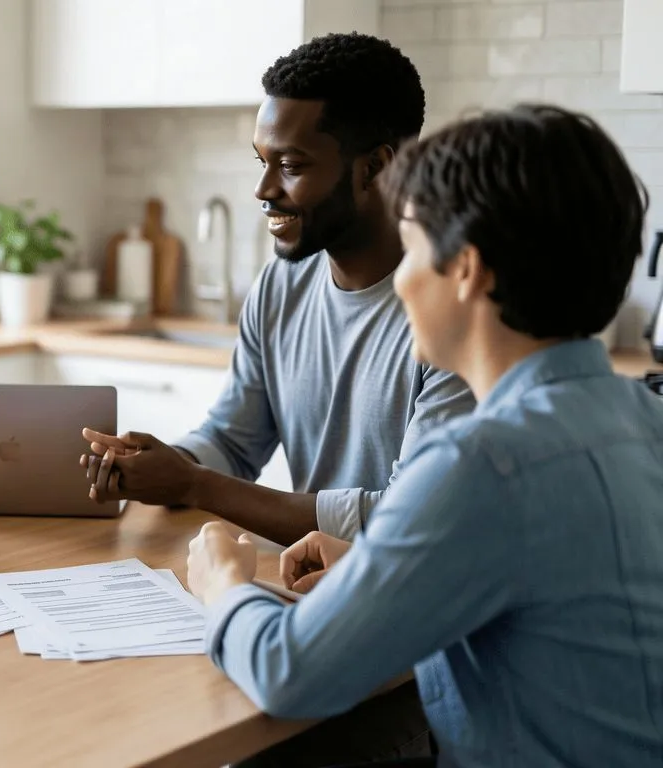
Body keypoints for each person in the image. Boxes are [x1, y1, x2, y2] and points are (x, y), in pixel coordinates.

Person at [187, 104, 663, 766]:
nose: (401, 279)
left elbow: (287, 673)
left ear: (466, 269)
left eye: (410, 247)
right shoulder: (644, 420)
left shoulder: (481, 464)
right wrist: (378, 567)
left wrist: (223, 584)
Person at [83, 33, 473, 546]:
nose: (264, 190)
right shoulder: (281, 285)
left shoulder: (458, 310)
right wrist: (162, 465)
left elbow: (408, 518)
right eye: (261, 162)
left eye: (290, 167)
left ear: (376, 168)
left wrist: (195, 484)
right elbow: (233, 441)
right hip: (308, 581)